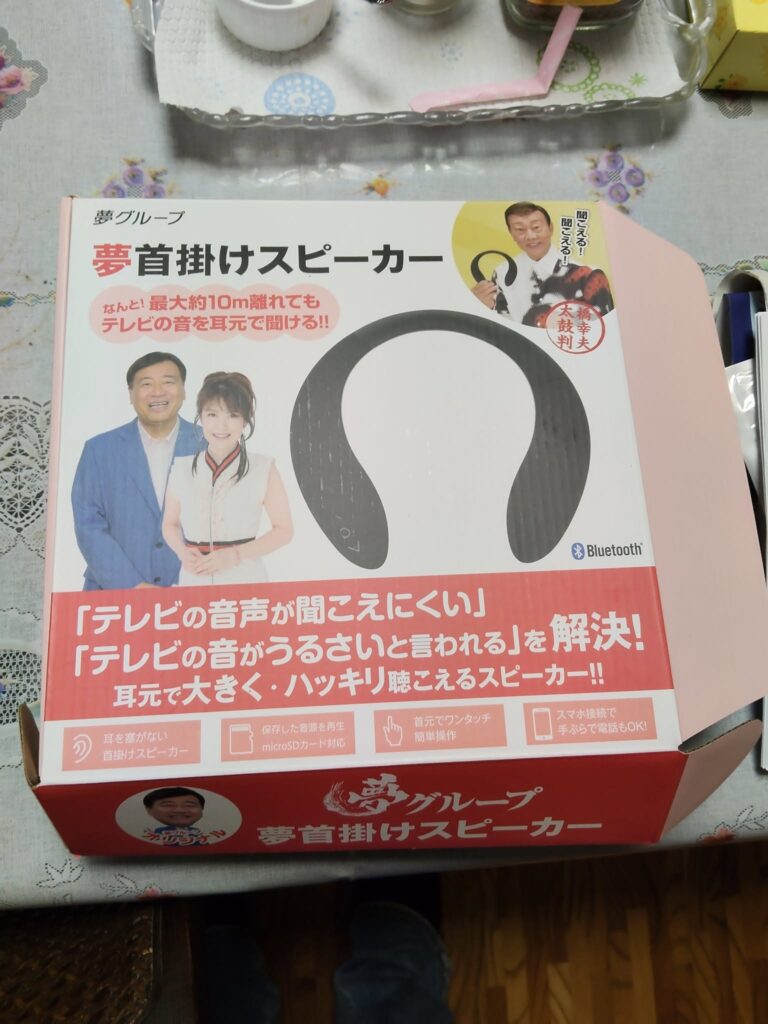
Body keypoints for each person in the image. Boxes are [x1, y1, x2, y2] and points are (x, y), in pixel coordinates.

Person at [71, 352, 202, 591]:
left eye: (168, 382)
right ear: (131, 394)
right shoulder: (99, 450)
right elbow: (88, 524)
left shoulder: (212, 444)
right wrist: (133, 586)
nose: (158, 392)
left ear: (184, 390)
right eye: (146, 384)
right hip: (112, 593)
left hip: (195, 595)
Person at [162, 371, 293, 586]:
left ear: (245, 421)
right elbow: (170, 524)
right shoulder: (181, 468)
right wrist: (182, 553)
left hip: (245, 580)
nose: (221, 426)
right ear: (201, 417)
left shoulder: (263, 468)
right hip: (194, 578)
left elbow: (284, 530)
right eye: (212, 414)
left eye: (232, 415)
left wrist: (235, 555)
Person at [471, 201, 613, 326]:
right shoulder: (502, 273)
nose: (530, 236)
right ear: (511, 234)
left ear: (550, 228)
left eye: (536, 227)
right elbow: (501, 324)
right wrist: (479, 306)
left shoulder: (588, 275)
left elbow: (604, 330)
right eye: (520, 230)